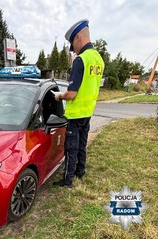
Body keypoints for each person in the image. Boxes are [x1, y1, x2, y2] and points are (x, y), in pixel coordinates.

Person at [53, 19, 104, 188]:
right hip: (88, 112)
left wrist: (59, 96)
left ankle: (68, 180)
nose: (73, 50)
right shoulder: (98, 59)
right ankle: (80, 173)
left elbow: (71, 94)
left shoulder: (81, 60)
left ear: (78, 38)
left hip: (75, 115)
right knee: (82, 145)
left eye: (72, 44)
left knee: (71, 148)